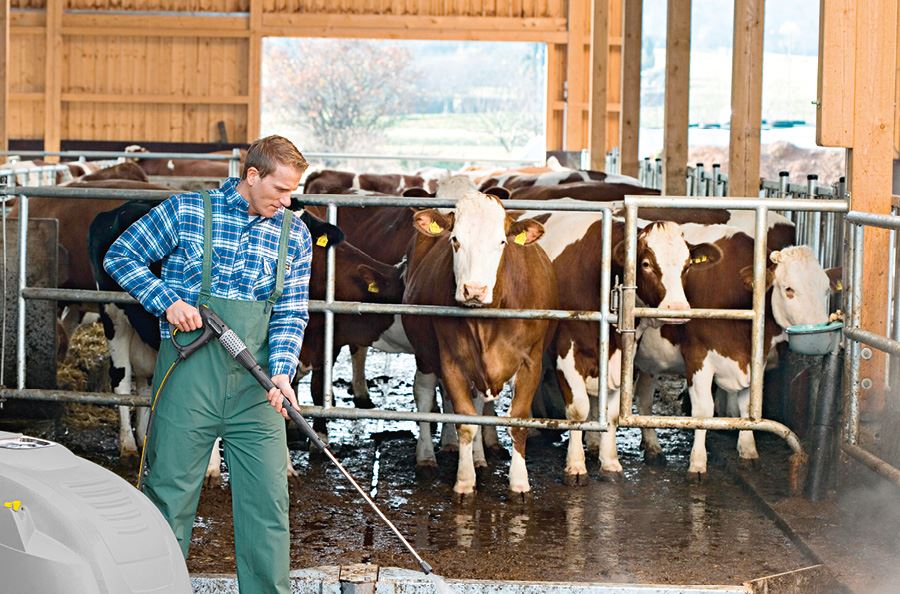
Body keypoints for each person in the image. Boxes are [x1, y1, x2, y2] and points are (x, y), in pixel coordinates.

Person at [104, 135, 312, 593]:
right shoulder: (187, 212)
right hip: (187, 377)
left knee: (268, 503)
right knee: (168, 494)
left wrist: (282, 373)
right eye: (280, 189)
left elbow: (290, 312)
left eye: (293, 191)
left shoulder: (293, 234)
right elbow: (120, 255)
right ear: (251, 176)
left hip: (257, 388)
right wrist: (165, 300)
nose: (288, 200)